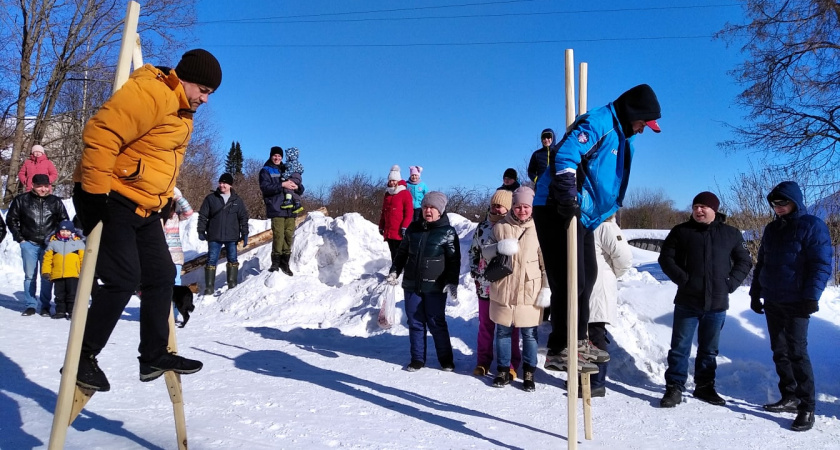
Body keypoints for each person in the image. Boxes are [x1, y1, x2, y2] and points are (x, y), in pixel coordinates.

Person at [72, 48, 222, 392]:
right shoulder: (152, 92)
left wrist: (165, 197)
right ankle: (83, 356)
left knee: (160, 276)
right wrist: (93, 195)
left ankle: (153, 354)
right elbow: (102, 133)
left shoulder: (183, 110)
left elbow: (158, 158)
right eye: (204, 90)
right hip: (110, 194)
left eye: (210, 93)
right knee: (123, 279)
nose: (206, 99)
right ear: (185, 79)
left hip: (144, 204)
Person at [535, 84, 661, 374]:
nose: (643, 129)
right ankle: (560, 348)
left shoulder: (620, 131)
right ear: (634, 113)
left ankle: (576, 340)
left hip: (586, 215)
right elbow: (567, 154)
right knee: (569, 280)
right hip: (556, 207)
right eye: (644, 123)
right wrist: (566, 193)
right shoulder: (600, 122)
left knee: (587, 277)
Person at [749, 181, 832, 432]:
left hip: (797, 302)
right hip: (773, 299)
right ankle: (790, 396)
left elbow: (821, 265)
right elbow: (761, 261)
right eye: (774, 204)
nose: (778, 208)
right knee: (780, 351)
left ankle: (807, 406)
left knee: (797, 352)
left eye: (783, 202)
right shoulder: (772, 229)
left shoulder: (812, 226)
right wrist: (756, 292)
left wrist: (811, 296)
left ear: (795, 201)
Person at [657, 191, 752, 408]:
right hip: (687, 301)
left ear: (714, 209)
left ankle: (704, 386)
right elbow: (666, 258)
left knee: (709, 349)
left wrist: (730, 284)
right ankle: (674, 387)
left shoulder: (731, 233)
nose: (698, 210)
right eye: (695, 206)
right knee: (680, 347)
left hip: (717, 304)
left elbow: (744, 261)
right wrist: (682, 279)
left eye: (703, 207)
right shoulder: (681, 232)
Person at [483, 187, 549, 391]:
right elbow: (485, 252)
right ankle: (503, 370)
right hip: (504, 288)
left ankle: (529, 372)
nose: (522, 210)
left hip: (529, 289)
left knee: (529, 334)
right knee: (502, 332)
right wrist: (498, 248)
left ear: (531, 208)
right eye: (518, 206)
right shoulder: (500, 226)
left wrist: (546, 288)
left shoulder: (540, 228)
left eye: (526, 207)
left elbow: (546, 263)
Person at [386, 191, 459, 372]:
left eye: (433, 207)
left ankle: (446, 360)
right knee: (415, 322)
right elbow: (402, 253)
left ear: (440, 210)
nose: (428, 210)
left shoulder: (448, 232)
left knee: (436, 322)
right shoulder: (413, 229)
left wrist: (452, 282)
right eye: (426, 206)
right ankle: (417, 359)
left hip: (435, 286)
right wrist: (395, 271)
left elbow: (454, 261)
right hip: (412, 284)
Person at [468, 189, 521, 378]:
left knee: (508, 327)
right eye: (493, 205)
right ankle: (483, 361)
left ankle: (512, 363)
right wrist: (476, 271)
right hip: (485, 286)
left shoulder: (513, 227)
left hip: (506, 286)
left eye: (500, 206)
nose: (495, 209)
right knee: (485, 326)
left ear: (508, 208)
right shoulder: (482, 227)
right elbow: (473, 251)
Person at [6, 173, 69, 316]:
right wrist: (20, 239)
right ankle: (30, 305)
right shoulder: (21, 200)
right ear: (32, 186)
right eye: (40, 186)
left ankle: (45, 306)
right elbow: (12, 219)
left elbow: (64, 221)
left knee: (46, 276)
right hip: (29, 243)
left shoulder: (55, 201)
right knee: (30, 276)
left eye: (46, 186)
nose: (43, 189)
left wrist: (57, 239)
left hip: (49, 245)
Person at [585, 214, 633, 397]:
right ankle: (585, 377)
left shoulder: (606, 227)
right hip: (583, 288)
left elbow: (624, 259)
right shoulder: (584, 225)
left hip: (598, 289)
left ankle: (597, 382)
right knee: (583, 336)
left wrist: (609, 274)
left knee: (596, 335)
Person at [198, 173, 250, 294]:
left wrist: (245, 233)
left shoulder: (237, 200)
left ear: (230, 185)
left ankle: (232, 284)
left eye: (225, 183)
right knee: (211, 260)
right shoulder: (211, 198)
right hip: (214, 236)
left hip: (231, 236)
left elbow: (243, 218)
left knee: (232, 259)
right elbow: (203, 216)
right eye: (220, 183)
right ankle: (209, 287)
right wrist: (201, 230)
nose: (222, 185)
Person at [259, 145, 305, 275]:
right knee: (278, 235)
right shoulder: (266, 170)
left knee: (288, 235)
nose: (277, 157)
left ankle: (285, 264)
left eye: (279, 156)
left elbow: (300, 188)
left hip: (290, 209)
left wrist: (297, 187)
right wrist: (282, 184)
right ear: (271, 156)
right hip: (276, 207)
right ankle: (275, 264)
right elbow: (265, 187)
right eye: (275, 155)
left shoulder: (288, 167)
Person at [42, 220, 85, 320]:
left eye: (67, 231)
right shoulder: (53, 243)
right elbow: (47, 259)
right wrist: (46, 271)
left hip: (73, 274)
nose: (65, 233)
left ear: (72, 232)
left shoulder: (78, 243)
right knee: (59, 294)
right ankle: (60, 311)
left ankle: (71, 312)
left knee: (72, 294)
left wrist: (83, 271)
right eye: (62, 231)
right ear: (58, 231)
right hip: (58, 274)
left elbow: (83, 259)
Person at [378, 165, 413, 259]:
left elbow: (409, 212)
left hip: (399, 230)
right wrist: (381, 226)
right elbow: (384, 212)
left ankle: (400, 270)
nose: (392, 183)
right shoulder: (387, 194)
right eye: (390, 180)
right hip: (389, 230)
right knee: (393, 252)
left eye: (394, 180)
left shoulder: (405, 193)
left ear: (398, 181)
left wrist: (405, 226)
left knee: (400, 253)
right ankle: (395, 270)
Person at [164, 187, 194, 286]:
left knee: (176, 282)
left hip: (175, 255)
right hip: (160, 254)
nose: (168, 204)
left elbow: (189, 212)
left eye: (171, 201)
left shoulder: (176, 216)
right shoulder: (156, 216)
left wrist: (178, 197)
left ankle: (176, 301)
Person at [279, 146, 305, 213]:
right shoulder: (298, 163)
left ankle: (288, 200)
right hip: (298, 177)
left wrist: (284, 177)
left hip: (293, 176)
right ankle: (297, 203)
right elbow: (302, 170)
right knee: (294, 190)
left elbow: (290, 170)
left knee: (288, 187)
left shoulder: (290, 164)